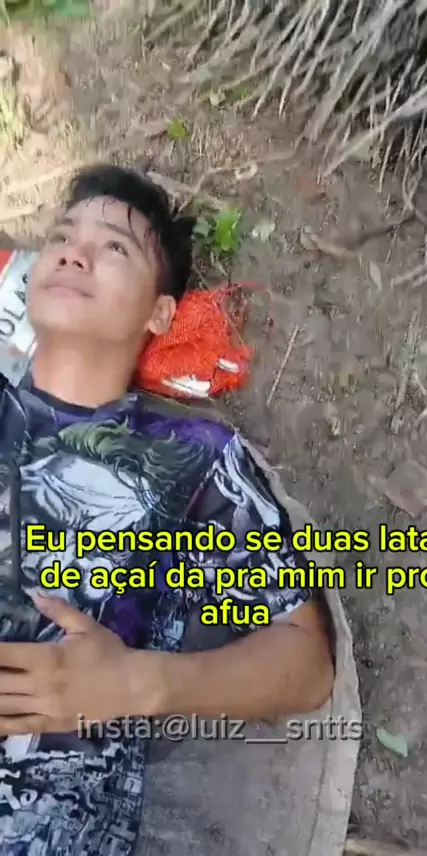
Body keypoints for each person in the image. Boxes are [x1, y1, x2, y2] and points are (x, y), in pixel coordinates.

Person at [0, 164, 334, 855]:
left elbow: (306, 665)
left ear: (159, 313)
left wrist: (139, 683)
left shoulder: (192, 461)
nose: (72, 253)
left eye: (112, 247)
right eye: (61, 236)